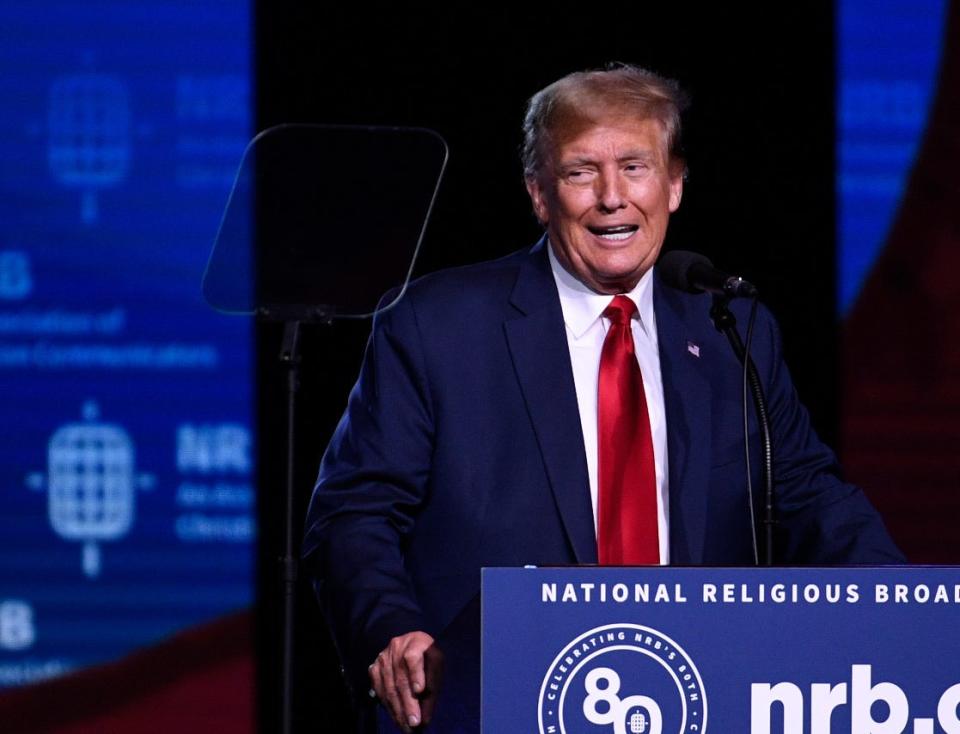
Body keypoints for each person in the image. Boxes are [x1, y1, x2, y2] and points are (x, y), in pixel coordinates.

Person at [302, 64, 903, 733]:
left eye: (635, 167)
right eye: (581, 172)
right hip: (487, 704)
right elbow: (354, 512)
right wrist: (393, 629)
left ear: (674, 185)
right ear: (538, 192)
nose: (612, 198)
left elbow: (811, 496)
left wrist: (906, 612)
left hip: (696, 697)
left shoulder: (733, 330)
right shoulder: (437, 325)